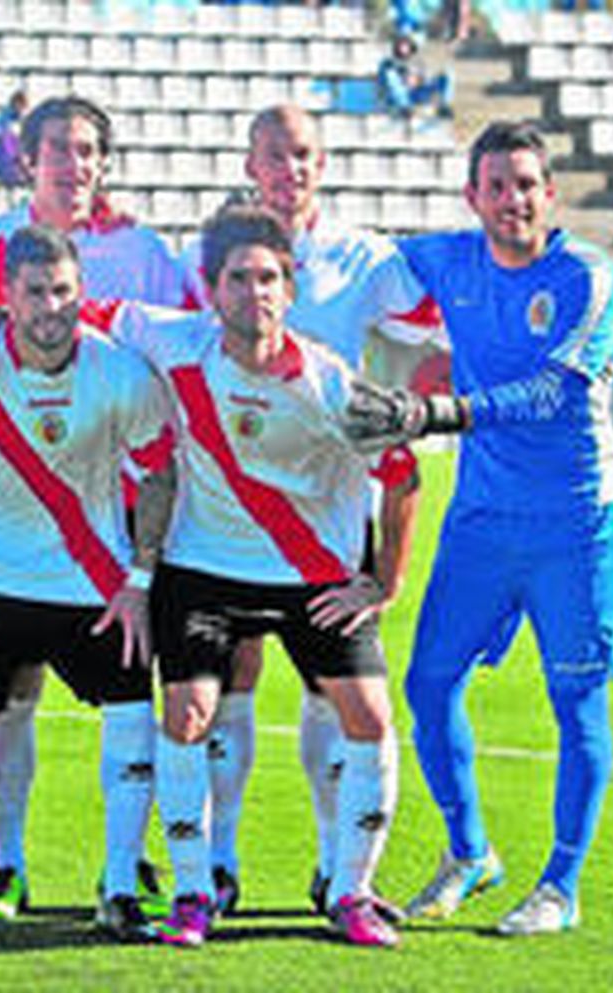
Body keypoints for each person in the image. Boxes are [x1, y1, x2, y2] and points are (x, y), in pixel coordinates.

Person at [133, 205, 435, 948]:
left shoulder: (333, 385)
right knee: (188, 716)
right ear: (212, 290)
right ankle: (195, 891)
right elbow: (74, 312)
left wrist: (384, 582)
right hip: (204, 567)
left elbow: (402, 474)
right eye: (239, 278)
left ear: (290, 290)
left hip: (313, 575)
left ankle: (351, 891)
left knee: (369, 717)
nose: (256, 292)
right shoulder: (173, 342)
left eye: (269, 278)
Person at [0, 94, 186, 921]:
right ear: (28, 158)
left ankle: (126, 870)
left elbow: (171, 356)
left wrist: (142, 564)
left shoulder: (144, 258)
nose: (73, 165)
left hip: (107, 533)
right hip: (1, 526)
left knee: (139, 704)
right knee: (4, 705)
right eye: (58, 149)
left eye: (87, 150)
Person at [0, 225, 165, 944]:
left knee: (133, 725)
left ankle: (119, 886)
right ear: (8, 296)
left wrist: (139, 579)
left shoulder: (120, 370)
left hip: (95, 584)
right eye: (36, 292)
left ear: (81, 292)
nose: (51, 306)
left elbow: (160, 471)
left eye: (63, 291)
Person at [397, 120, 613, 936]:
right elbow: (352, 263)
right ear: (473, 196)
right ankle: (470, 852)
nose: (512, 199)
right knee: (428, 685)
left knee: (577, 699)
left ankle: (560, 885)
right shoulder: (448, 260)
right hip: (481, 522)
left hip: (575, 521)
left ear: (549, 192)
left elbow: (554, 392)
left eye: (526, 184)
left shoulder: (588, 277)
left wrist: (442, 411)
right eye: (496, 185)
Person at [378, 33, 454, 120]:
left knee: (446, 76)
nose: (404, 48)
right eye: (401, 45)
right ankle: (404, 108)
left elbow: (423, 78)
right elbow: (385, 82)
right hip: (397, 96)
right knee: (392, 77)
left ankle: (444, 107)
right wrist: (404, 79)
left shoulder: (416, 61)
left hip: (415, 92)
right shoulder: (388, 62)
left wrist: (417, 80)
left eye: (406, 45)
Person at [0, 90, 28, 186]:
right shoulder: (5, 117)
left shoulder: (17, 119)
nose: (23, 109)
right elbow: (4, 138)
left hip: (9, 155)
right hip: (0, 156)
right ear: (17, 103)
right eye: (22, 106)